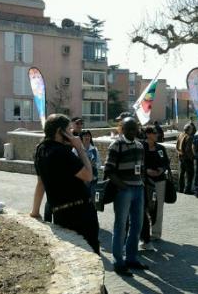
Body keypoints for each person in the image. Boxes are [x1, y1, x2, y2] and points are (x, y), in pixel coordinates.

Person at [30, 114, 100, 254]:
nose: (72, 133)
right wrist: (80, 148)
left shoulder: (41, 150)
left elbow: (41, 183)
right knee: (90, 253)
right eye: (69, 130)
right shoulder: (62, 152)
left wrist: (35, 212)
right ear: (59, 132)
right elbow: (88, 175)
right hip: (81, 213)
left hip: (60, 213)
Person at [104, 117, 148, 276]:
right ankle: (118, 261)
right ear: (121, 129)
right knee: (120, 226)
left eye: (134, 128)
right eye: (128, 128)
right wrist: (123, 186)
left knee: (137, 226)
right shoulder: (116, 145)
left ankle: (131, 258)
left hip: (139, 189)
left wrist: (142, 184)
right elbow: (108, 170)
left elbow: (142, 168)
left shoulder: (139, 145)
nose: (131, 131)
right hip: (124, 191)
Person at [140, 125, 170, 249]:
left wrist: (161, 170)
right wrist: (146, 171)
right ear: (148, 134)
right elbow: (138, 162)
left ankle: (156, 233)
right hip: (145, 182)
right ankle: (144, 233)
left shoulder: (160, 148)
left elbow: (166, 162)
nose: (157, 135)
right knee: (145, 207)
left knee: (158, 207)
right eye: (154, 133)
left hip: (159, 181)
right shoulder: (141, 147)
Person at [72, 129, 101, 201]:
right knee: (82, 199)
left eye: (88, 136)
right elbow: (73, 164)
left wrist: (95, 165)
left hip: (93, 179)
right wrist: (86, 164)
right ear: (81, 137)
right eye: (85, 136)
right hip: (81, 180)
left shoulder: (95, 150)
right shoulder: (76, 150)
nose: (87, 137)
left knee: (93, 199)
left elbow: (99, 163)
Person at [176, 123, 195, 194]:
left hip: (181, 157)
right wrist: (192, 157)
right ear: (189, 130)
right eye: (191, 129)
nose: (192, 130)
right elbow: (188, 150)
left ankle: (181, 188)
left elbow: (177, 145)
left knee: (182, 173)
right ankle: (187, 190)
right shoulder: (189, 137)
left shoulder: (180, 135)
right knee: (190, 174)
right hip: (187, 158)